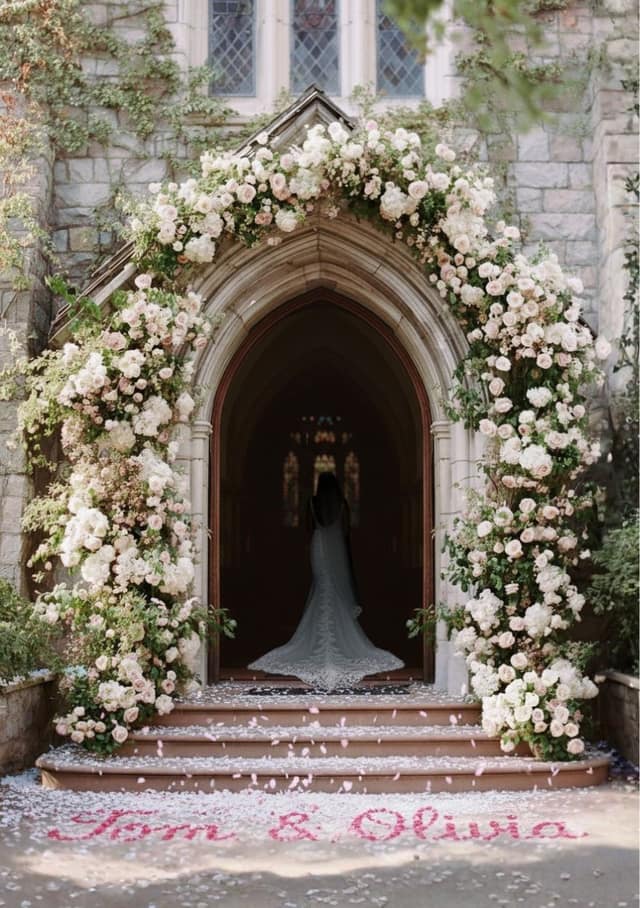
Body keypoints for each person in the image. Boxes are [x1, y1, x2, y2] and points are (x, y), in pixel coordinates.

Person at [248, 472, 403, 689]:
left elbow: (307, 528)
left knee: (322, 586)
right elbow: (347, 530)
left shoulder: (312, 503)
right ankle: (339, 642)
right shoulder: (342, 505)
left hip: (318, 543)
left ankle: (320, 640)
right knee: (336, 588)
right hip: (336, 545)